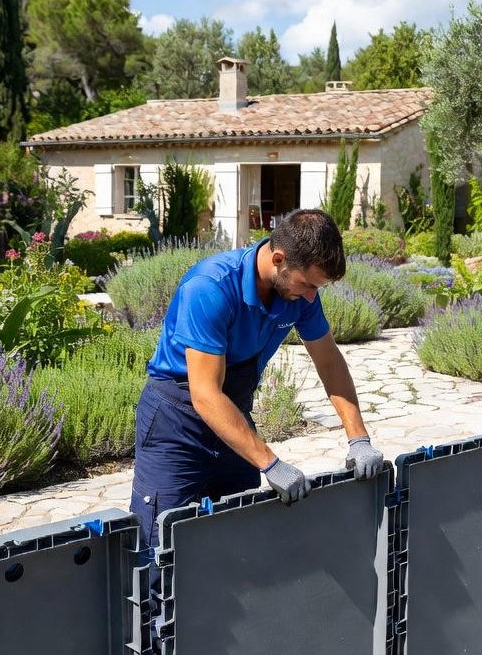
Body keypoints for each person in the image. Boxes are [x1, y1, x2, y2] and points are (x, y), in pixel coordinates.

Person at [130, 208, 383, 549]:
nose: (312, 296)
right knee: (161, 546)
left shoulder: (300, 294)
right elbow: (204, 394)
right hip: (176, 421)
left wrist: (358, 439)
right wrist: (271, 463)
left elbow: (329, 362)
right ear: (279, 259)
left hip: (232, 415)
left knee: (238, 544)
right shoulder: (211, 288)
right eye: (308, 284)